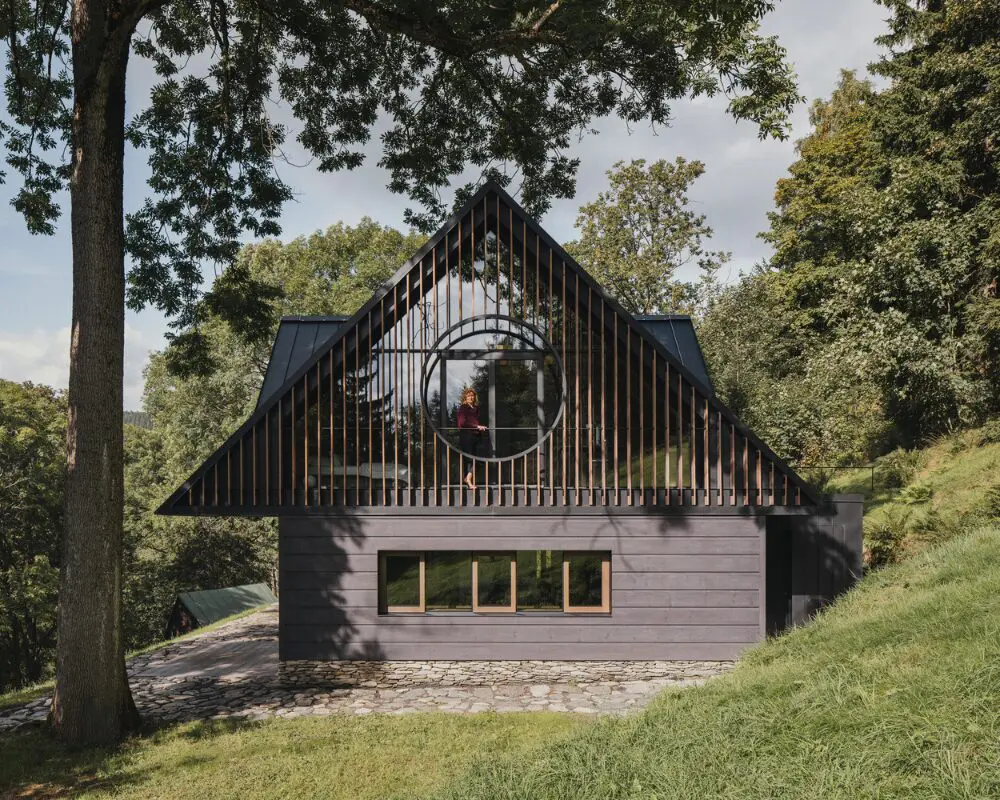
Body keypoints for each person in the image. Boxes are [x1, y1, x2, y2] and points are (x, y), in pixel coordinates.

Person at [457, 387, 490, 489]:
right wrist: (477, 426)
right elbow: (461, 423)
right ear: (465, 397)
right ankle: (469, 481)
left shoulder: (476, 408)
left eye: (472, 395)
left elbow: (475, 422)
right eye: (469, 395)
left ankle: (467, 478)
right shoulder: (463, 408)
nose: (471, 397)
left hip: (476, 436)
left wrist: (479, 428)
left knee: (481, 459)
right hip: (466, 436)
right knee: (470, 460)